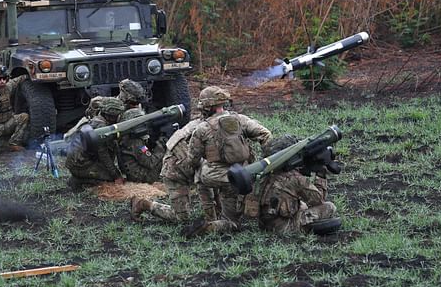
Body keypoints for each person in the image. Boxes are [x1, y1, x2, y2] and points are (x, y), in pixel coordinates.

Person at [185, 86, 272, 237]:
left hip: (213, 177)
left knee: (200, 170)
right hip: (241, 176)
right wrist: (264, 162)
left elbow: (192, 159)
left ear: (206, 106)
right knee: (232, 220)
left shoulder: (202, 128)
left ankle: (209, 216)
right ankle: (222, 219)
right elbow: (266, 134)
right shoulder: (240, 120)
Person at [257, 134, 338, 235]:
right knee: (329, 207)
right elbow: (318, 200)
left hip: (263, 224)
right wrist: (321, 175)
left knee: (302, 205)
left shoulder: (265, 171)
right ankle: (303, 229)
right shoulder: (295, 178)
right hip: (283, 228)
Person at [130, 116, 202, 223]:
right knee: (181, 218)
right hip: (173, 172)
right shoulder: (137, 143)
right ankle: (143, 204)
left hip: (178, 168)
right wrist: (161, 145)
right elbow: (150, 162)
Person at [65, 97, 126, 188]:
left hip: (77, 161)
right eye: (118, 115)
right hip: (80, 165)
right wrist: (116, 175)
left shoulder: (97, 119)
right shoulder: (101, 128)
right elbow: (104, 155)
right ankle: (79, 180)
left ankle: (81, 176)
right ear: (111, 115)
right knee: (110, 180)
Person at [117, 108, 165, 183]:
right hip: (141, 177)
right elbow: (150, 162)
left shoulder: (125, 137)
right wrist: (161, 144)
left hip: (133, 173)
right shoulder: (135, 142)